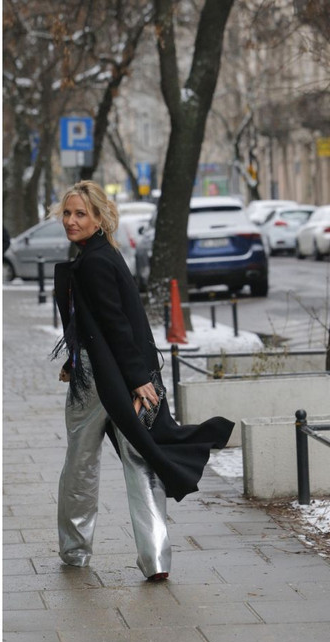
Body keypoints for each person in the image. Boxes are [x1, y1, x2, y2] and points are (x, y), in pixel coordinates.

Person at [52, 180, 233, 581]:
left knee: (81, 464)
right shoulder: (104, 254)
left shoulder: (94, 261)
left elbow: (117, 324)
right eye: (67, 213)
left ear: (100, 218)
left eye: (80, 213)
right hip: (115, 373)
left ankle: (75, 550)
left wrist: (135, 379)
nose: (71, 221)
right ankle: (155, 559)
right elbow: (101, 322)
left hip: (103, 381)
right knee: (139, 462)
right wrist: (77, 357)